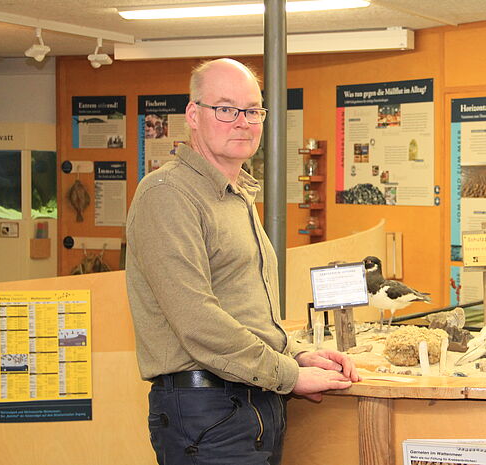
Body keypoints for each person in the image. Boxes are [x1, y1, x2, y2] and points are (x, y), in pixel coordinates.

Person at [126, 58, 360, 465]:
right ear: (193, 115)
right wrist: (288, 374)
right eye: (226, 108)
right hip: (206, 411)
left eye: (253, 110)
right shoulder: (168, 195)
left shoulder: (235, 193)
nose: (242, 122)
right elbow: (197, 320)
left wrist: (296, 353)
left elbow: (244, 308)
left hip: (251, 400)